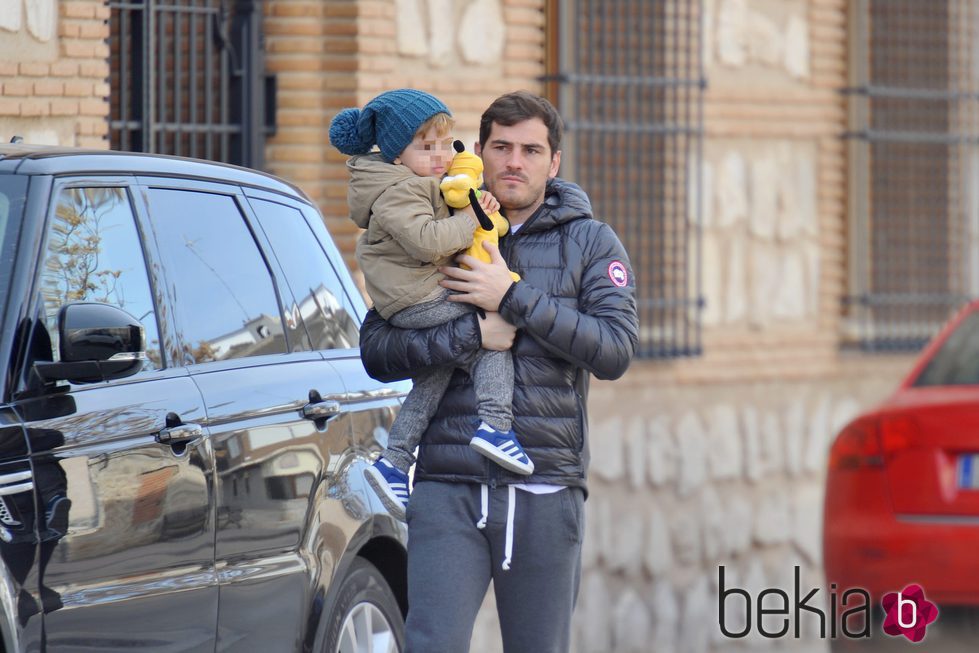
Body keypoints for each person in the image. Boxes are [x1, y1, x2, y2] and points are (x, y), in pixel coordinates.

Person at [359, 91, 639, 652]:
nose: (515, 161)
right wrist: (470, 334)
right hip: (446, 482)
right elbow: (378, 349)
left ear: (553, 162)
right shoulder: (434, 224)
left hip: (545, 484)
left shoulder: (589, 241)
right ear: (480, 152)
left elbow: (613, 350)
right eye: (502, 147)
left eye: (532, 150)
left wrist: (512, 296)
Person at [328, 89, 535, 520]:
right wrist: (473, 219)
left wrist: (472, 205)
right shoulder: (394, 191)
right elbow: (427, 241)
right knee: (490, 329)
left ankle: (394, 462)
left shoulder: (414, 182)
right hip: (417, 297)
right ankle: (496, 426)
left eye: (445, 144)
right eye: (426, 147)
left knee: (435, 373)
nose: (441, 156)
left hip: (418, 293)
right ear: (395, 152)